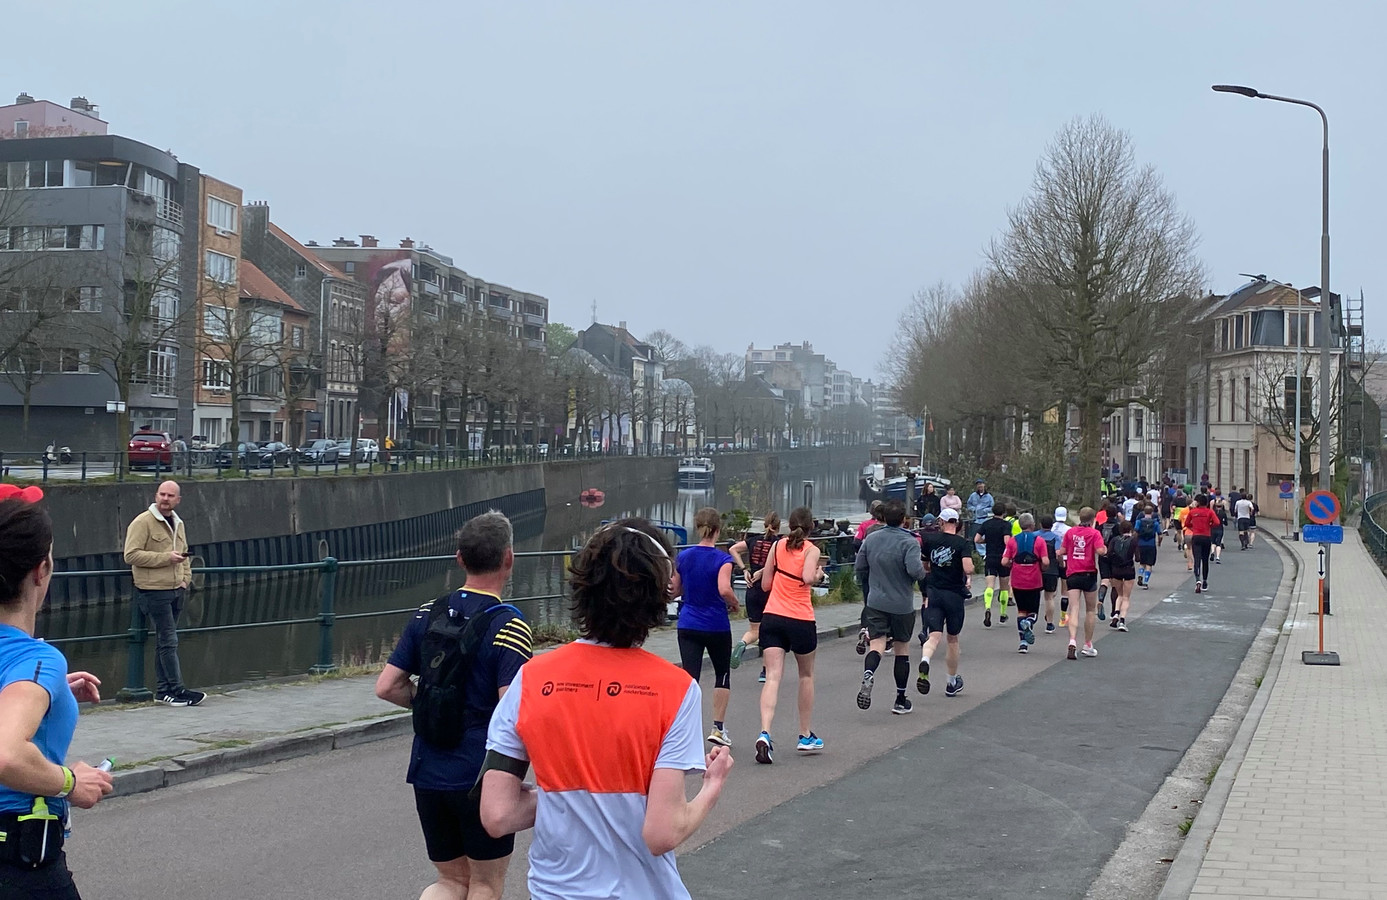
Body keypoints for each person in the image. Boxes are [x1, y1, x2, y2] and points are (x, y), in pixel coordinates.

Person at [479, 519, 730, 900]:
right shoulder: (676, 690)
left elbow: (498, 815)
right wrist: (712, 786)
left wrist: (563, 796)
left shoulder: (530, 680)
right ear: (659, 596)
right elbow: (661, 833)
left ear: (582, 587)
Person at [375, 511, 532, 900]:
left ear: (459, 558)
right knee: (484, 884)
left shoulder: (427, 613)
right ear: (508, 558)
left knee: (449, 882)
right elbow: (512, 712)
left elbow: (387, 687)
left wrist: (431, 703)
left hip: (427, 769)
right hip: (480, 775)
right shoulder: (509, 625)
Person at [0, 485, 114, 897]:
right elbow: (8, 753)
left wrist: (48, 695)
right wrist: (69, 782)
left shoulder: (30, 672)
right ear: (40, 570)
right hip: (20, 863)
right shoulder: (37, 660)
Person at [123, 481, 203, 707]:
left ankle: (163, 691)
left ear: (178, 500)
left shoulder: (178, 523)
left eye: (170, 495)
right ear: (156, 495)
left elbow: (184, 554)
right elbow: (131, 555)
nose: (165, 499)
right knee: (168, 640)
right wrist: (166, 558)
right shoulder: (142, 522)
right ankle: (177, 689)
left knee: (164, 642)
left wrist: (185, 580)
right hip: (153, 591)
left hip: (176, 589)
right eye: (162, 494)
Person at [754, 506, 825, 763]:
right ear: (810, 527)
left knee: (772, 677)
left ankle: (765, 733)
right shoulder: (811, 549)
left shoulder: (777, 545)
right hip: (800, 618)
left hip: (772, 616)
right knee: (806, 675)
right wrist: (817, 574)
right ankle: (804, 735)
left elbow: (765, 584)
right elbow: (807, 577)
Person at [669, 508, 738, 747]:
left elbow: (675, 590)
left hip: (688, 623)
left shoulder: (684, 556)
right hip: (716, 625)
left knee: (690, 677)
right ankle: (718, 728)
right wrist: (734, 603)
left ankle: (685, 731)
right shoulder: (723, 559)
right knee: (722, 673)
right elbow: (724, 589)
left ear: (698, 528)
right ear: (718, 530)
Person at [854, 500, 926, 715]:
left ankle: (869, 672)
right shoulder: (910, 542)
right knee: (901, 649)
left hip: (876, 601)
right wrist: (923, 574)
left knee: (876, 645)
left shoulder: (871, 538)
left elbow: (860, 566)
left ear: (883, 517)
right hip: (901, 604)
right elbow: (915, 571)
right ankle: (900, 699)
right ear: (904, 519)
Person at [917, 508, 974, 697]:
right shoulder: (962, 543)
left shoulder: (931, 541)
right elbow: (968, 568)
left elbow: (925, 565)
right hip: (954, 594)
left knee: (934, 635)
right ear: (957, 523)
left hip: (934, 592)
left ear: (940, 521)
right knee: (952, 638)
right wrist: (970, 568)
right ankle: (951, 682)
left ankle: (925, 658)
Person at [729, 511, 781, 684]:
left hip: (752, 588)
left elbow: (733, 549)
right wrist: (764, 571)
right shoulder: (778, 543)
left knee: (754, 630)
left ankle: (743, 643)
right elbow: (777, 564)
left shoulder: (753, 541)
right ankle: (765, 671)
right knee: (769, 633)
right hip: (769, 590)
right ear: (779, 527)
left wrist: (744, 569)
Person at [1060, 506, 1106, 660]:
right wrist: (1104, 549)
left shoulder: (1070, 532)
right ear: (1093, 519)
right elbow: (1100, 551)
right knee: (1090, 610)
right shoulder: (1094, 533)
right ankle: (1087, 644)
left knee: (1074, 609)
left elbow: (1063, 551)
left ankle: (1072, 640)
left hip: (1072, 573)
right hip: (1088, 573)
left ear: (1080, 517)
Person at [1001, 513, 1049, 653]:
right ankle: (1029, 622)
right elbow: (1045, 561)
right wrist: (1042, 568)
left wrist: (1012, 563)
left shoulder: (1012, 541)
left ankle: (1023, 643)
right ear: (1033, 525)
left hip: (1018, 580)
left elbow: (1004, 561)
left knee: (1021, 610)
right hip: (1034, 579)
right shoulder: (1039, 541)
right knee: (1033, 611)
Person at [852, 501, 887, 653]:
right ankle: (881, 634)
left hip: (867, 568)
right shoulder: (889, 529)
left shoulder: (865, 526)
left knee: (868, 599)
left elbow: (856, 541)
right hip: (884, 570)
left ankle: (865, 627)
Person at [974, 504, 1012, 627]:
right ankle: (1002, 613)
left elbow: (976, 539)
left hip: (990, 557)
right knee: (1004, 587)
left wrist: (987, 540)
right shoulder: (1006, 525)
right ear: (1004, 513)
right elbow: (1007, 541)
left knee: (990, 585)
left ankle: (988, 607)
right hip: (1003, 558)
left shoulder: (986, 524)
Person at [1106, 520, 1138, 632]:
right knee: (1126, 597)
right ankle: (1122, 620)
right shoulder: (1133, 541)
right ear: (1131, 529)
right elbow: (1138, 557)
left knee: (1119, 594)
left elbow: (1109, 554)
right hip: (1129, 569)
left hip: (1116, 570)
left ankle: (1115, 614)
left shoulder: (1114, 540)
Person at [1185, 495, 1219, 593]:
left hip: (1196, 537)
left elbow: (1187, 524)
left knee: (1197, 559)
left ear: (1198, 502)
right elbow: (1217, 522)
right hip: (1206, 537)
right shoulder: (1210, 512)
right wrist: (1209, 525)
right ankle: (1204, 581)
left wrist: (1194, 526)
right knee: (1205, 560)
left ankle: (1197, 579)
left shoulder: (1193, 512)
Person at [1037, 514, 1063, 634]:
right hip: (1051, 569)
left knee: (1034, 595)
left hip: (1036, 569)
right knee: (1049, 597)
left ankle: (1031, 618)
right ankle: (1050, 623)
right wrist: (1062, 564)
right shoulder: (1055, 537)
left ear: (1040, 525)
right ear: (1052, 526)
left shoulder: (1034, 536)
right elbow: (1058, 553)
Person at [1133, 503, 1162, 589]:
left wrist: (1135, 542)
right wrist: (1159, 542)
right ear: (1152, 513)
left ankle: (1140, 575)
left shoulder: (1139, 521)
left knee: (1142, 563)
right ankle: (1145, 581)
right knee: (1149, 564)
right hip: (1151, 544)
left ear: (1143, 512)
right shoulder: (1155, 523)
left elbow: (1135, 532)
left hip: (1141, 544)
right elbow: (1160, 535)